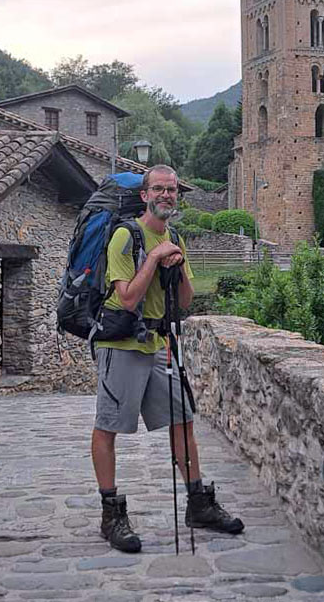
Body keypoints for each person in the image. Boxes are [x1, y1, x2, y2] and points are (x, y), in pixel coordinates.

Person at [91, 164, 244, 553]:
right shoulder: (126, 236)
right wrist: (155, 257)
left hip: (159, 344)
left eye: (172, 190)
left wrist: (176, 266)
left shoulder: (174, 236)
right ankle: (111, 513)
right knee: (109, 427)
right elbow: (126, 297)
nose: (166, 195)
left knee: (183, 421)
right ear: (145, 195)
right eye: (158, 189)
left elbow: (188, 301)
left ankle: (198, 504)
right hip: (122, 344)